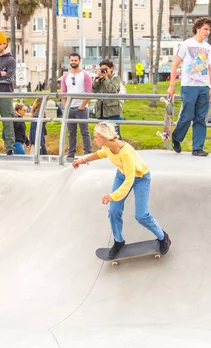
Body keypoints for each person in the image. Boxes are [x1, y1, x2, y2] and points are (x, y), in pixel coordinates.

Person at [72, 122, 171, 259]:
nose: (94, 140)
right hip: (121, 175)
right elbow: (99, 154)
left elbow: (129, 180)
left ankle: (163, 237)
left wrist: (113, 196)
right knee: (113, 211)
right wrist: (82, 160)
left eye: (96, 137)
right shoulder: (107, 147)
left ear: (104, 138)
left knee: (141, 215)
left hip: (140, 178)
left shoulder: (126, 153)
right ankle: (118, 241)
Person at [167, 17, 211, 156]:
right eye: (205, 29)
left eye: (209, 30)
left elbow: (210, 69)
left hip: (204, 86)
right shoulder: (186, 44)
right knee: (187, 115)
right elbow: (175, 64)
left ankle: (197, 148)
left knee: (201, 117)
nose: (207, 32)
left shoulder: (208, 48)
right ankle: (177, 137)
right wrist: (172, 86)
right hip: (189, 85)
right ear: (197, 28)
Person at [61, 53, 92, 158]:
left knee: (85, 132)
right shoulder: (65, 76)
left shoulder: (85, 75)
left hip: (81, 108)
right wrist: (65, 107)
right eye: (72, 60)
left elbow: (89, 93)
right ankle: (71, 154)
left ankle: (88, 153)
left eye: (75, 60)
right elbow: (63, 93)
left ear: (79, 61)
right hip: (70, 108)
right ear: (69, 61)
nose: (73, 62)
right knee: (71, 133)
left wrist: (82, 106)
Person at [92, 59, 123, 139]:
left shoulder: (115, 78)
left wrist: (106, 78)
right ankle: (105, 151)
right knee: (102, 135)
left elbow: (112, 90)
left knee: (115, 134)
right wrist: (97, 81)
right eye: (102, 69)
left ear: (111, 68)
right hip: (101, 111)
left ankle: (121, 150)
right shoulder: (100, 78)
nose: (104, 71)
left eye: (106, 69)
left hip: (112, 111)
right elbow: (93, 90)